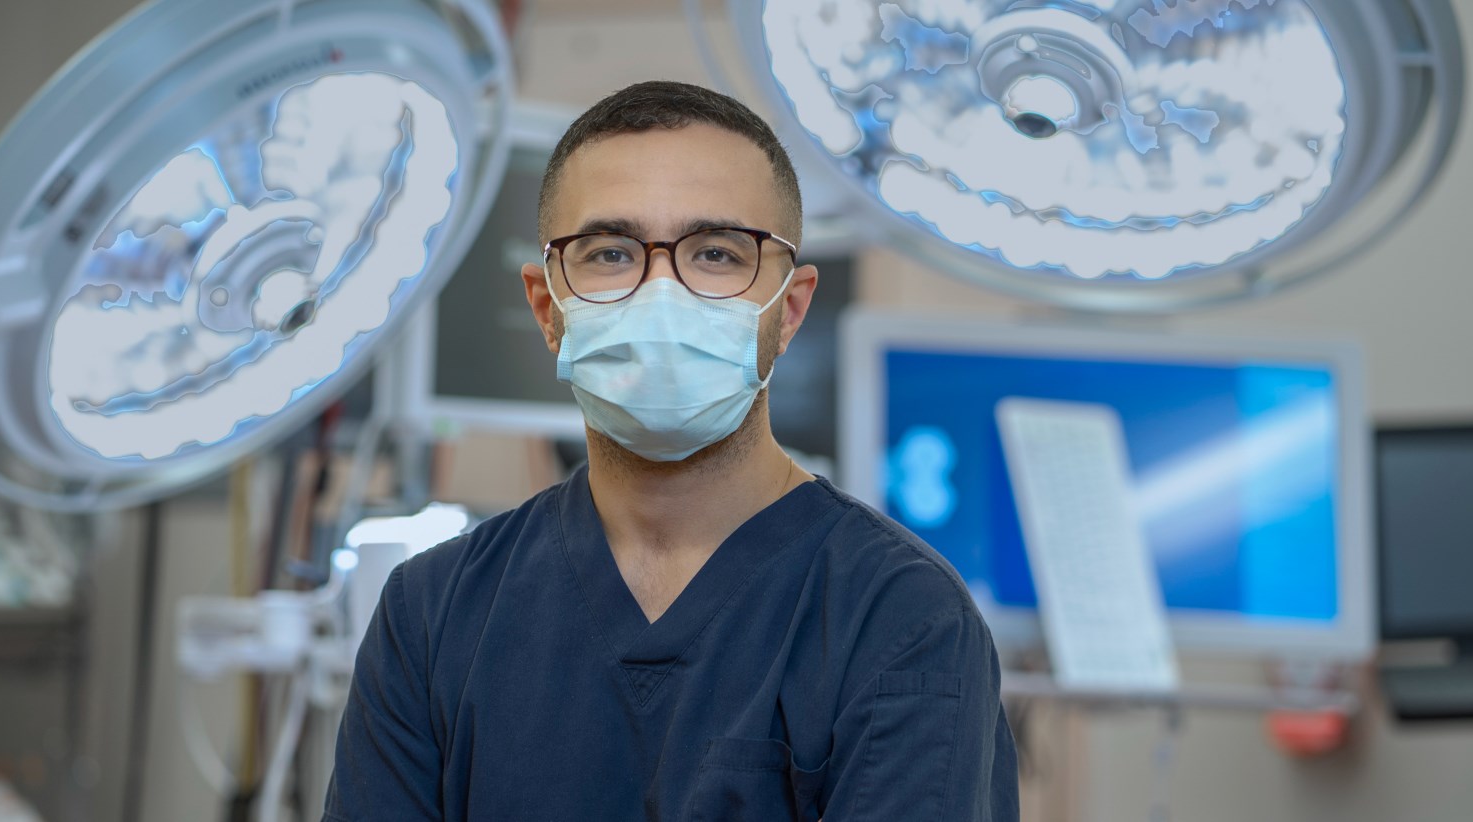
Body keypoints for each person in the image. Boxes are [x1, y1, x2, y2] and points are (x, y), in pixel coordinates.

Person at [324, 80, 1018, 822]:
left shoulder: (899, 618)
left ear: (787, 310)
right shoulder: (432, 616)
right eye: (611, 253)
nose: (662, 294)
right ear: (546, 307)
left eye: (717, 253)